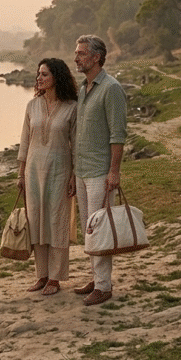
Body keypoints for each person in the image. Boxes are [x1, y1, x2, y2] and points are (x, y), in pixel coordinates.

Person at [72, 34, 127, 306]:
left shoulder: (111, 88)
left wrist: (113, 172)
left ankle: (104, 287)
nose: (76, 58)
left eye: (81, 53)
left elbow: (117, 135)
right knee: (88, 229)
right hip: (82, 171)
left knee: (100, 230)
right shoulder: (83, 89)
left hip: (100, 173)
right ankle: (95, 278)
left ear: (96, 57)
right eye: (77, 53)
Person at [17, 58, 78, 296]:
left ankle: (55, 277)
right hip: (33, 171)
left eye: (44, 74)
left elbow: (76, 144)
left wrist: (74, 174)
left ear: (57, 77)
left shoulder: (72, 107)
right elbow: (24, 141)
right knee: (37, 223)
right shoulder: (32, 106)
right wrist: (20, 173)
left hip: (60, 171)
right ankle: (41, 275)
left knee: (57, 222)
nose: (39, 78)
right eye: (38, 74)